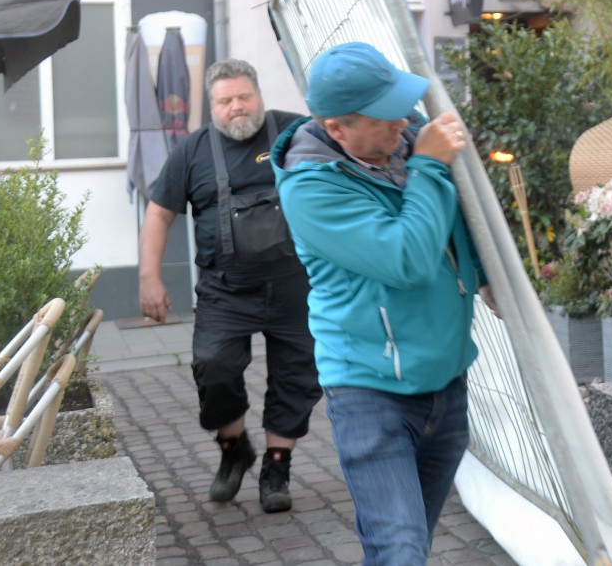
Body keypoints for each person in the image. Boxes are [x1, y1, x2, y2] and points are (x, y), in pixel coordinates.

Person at [272, 41, 494, 566]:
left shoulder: (406, 138)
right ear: (336, 129)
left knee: (407, 544)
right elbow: (409, 260)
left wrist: (486, 277)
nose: (401, 120)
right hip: (370, 394)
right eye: (383, 115)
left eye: (400, 104)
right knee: (400, 549)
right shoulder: (311, 189)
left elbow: (454, 223)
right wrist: (431, 169)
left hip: (446, 383)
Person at [139, 58, 321, 513]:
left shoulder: (296, 132)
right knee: (213, 367)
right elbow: (159, 214)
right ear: (212, 106)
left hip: (294, 285)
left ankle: (277, 468)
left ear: (258, 94)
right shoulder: (192, 150)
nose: (236, 107)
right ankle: (234, 449)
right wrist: (149, 278)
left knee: (296, 379)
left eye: (244, 97)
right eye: (225, 101)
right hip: (225, 291)